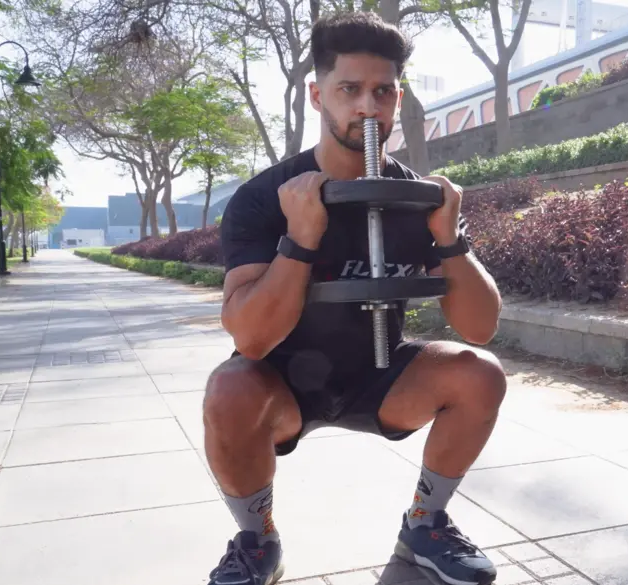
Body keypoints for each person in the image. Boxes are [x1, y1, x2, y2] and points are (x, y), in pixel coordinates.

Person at [203, 11, 507, 585]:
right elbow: (250, 335)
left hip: (380, 373)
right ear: (318, 96)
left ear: (397, 98)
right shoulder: (264, 198)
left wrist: (449, 236)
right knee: (228, 387)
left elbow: (480, 326)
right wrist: (301, 238)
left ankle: (425, 525)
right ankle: (256, 539)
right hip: (284, 384)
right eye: (350, 90)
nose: (368, 108)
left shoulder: (415, 197)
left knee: (480, 373)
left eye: (383, 92)